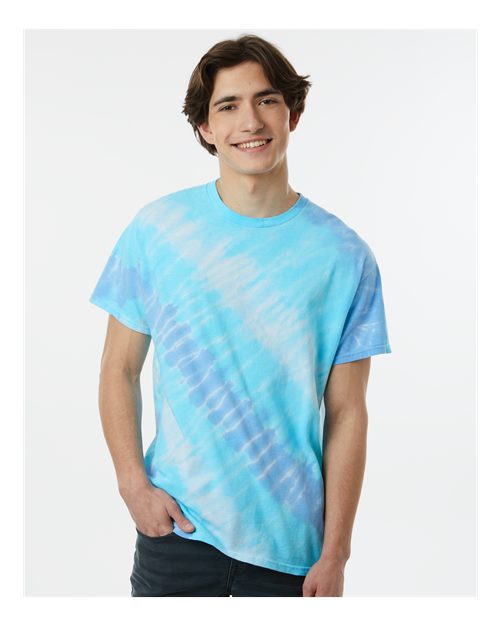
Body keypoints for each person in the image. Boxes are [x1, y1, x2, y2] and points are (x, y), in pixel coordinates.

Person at [89, 33, 392, 597]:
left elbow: (348, 412)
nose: (250, 121)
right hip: (177, 530)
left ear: (292, 114)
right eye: (228, 105)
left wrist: (337, 552)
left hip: (292, 549)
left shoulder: (345, 256)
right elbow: (119, 368)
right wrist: (133, 485)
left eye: (266, 100)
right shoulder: (159, 231)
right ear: (205, 128)